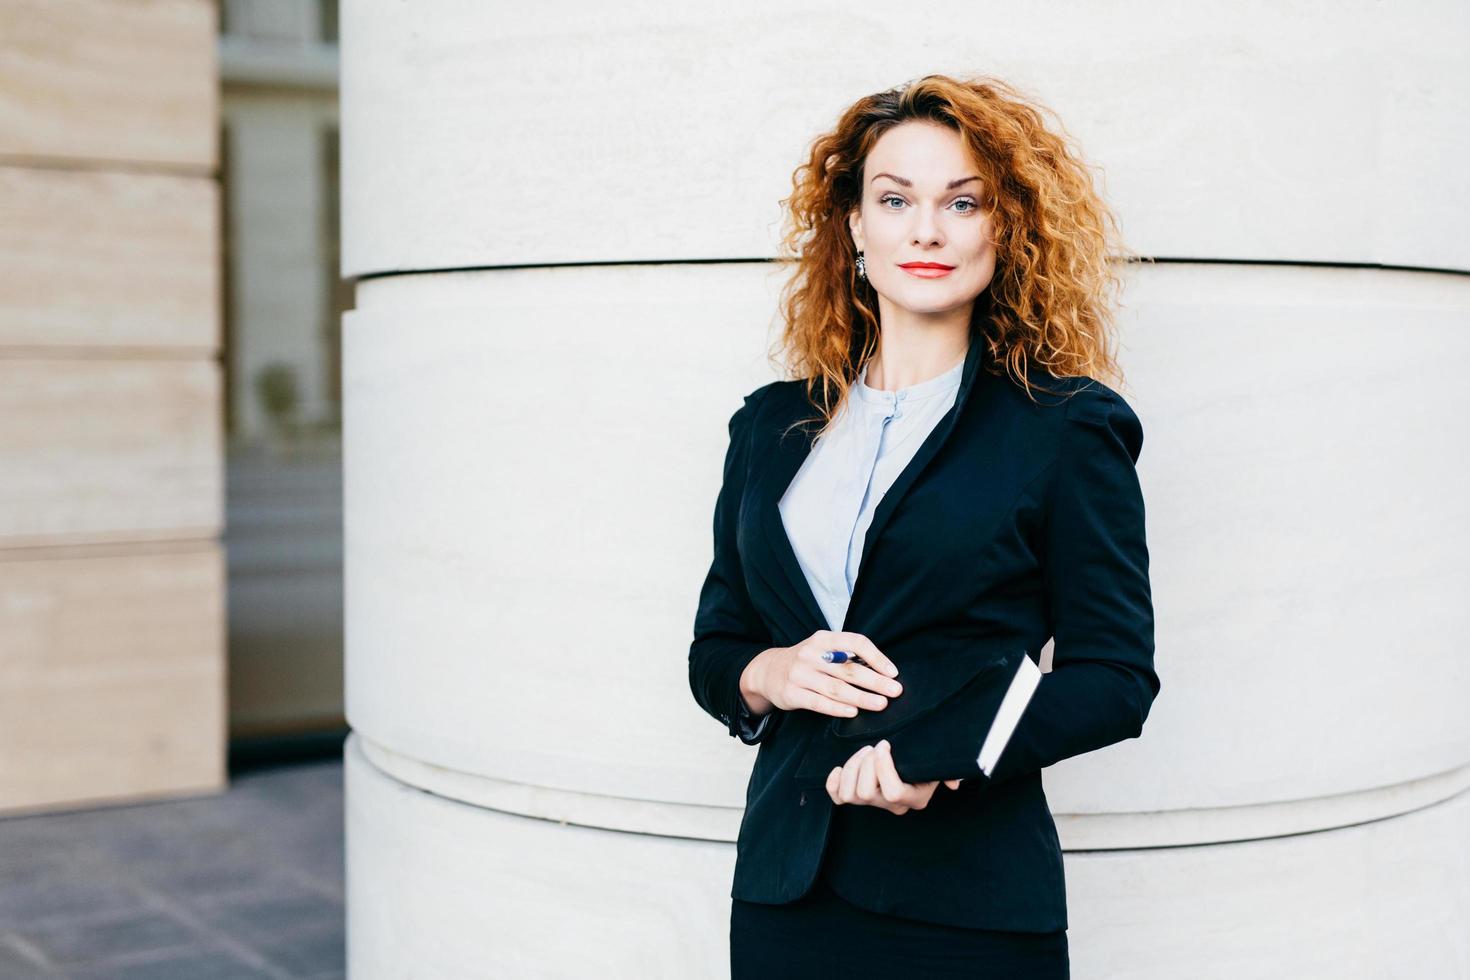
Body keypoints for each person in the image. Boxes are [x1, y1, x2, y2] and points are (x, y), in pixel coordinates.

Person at [688, 73, 1159, 979]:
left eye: (963, 202)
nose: (928, 230)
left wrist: (933, 757)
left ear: (1003, 226)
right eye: (895, 199)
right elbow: (718, 648)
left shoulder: (1063, 428)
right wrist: (771, 672)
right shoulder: (768, 427)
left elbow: (1115, 678)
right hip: (786, 895)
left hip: (967, 905)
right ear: (856, 226)